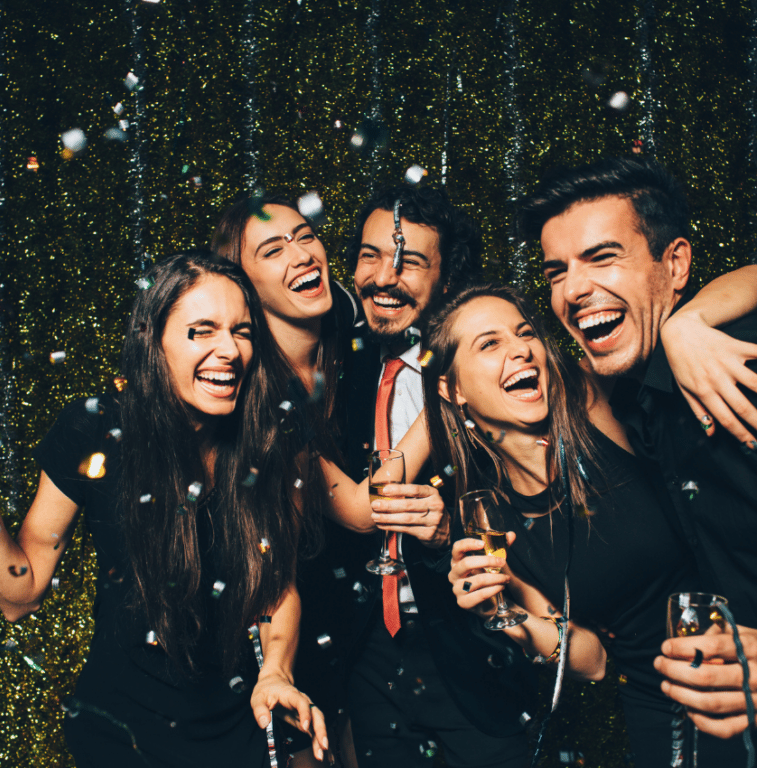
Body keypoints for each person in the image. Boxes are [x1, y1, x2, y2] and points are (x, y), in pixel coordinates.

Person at [0, 251, 327, 766]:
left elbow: (277, 587)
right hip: (119, 735)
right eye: (202, 330)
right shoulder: (96, 429)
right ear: (154, 340)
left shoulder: (269, 434)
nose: (229, 351)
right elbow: (21, 590)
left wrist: (276, 671)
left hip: (239, 729)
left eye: (241, 331)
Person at [421, 283, 713, 767]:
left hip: (742, 649)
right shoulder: (486, 517)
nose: (520, 349)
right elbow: (592, 661)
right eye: (489, 344)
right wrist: (506, 619)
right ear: (452, 389)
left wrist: (686, 327)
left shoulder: (590, 398)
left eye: (524, 332)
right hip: (660, 709)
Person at [515, 156, 757, 740]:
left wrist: (690, 321)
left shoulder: (739, 362)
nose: (572, 290)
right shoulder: (630, 397)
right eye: (555, 272)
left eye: (602, 257)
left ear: (674, 264)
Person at [212, 193, 447, 767]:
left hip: (360, 620)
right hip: (279, 612)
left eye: (305, 236)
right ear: (244, 285)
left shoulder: (350, 323)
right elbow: (367, 509)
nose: (300, 254)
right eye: (272, 249)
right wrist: (451, 388)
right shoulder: (256, 400)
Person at [340, 184, 537, 768]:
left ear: (447, 283)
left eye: (409, 263)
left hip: (472, 654)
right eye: (370, 256)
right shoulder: (337, 368)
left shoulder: (481, 371)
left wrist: (453, 529)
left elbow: (541, 508)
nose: (383, 277)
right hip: (369, 657)